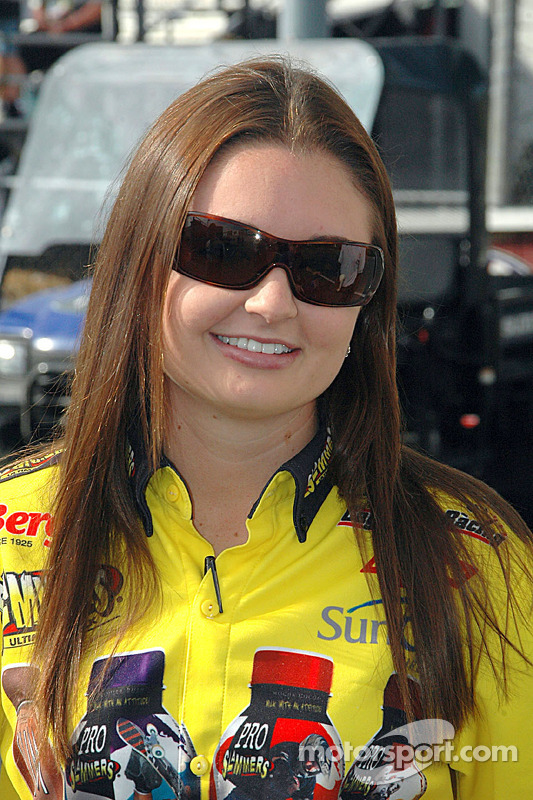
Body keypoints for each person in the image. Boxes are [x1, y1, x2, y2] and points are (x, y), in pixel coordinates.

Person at [0, 56, 531, 800]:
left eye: (328, 267)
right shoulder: (10, 532)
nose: (271, 303)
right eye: (224, 249)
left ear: (366, 302)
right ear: (139, 257)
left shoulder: (479, 564)